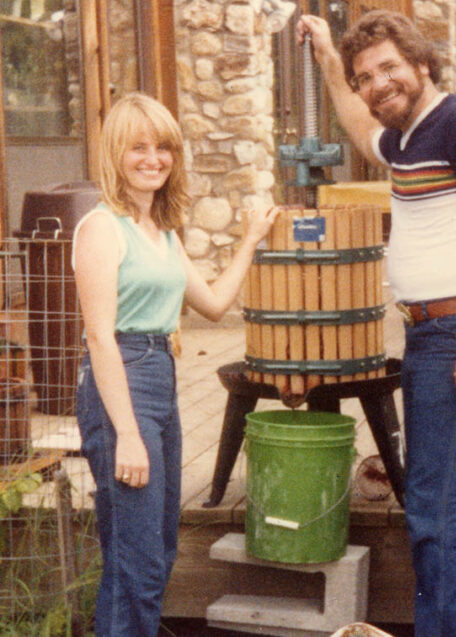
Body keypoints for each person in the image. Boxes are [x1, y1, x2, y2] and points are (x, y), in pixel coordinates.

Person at [296, 11, 456, 636]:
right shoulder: (405, 138)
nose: (377, 84)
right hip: (432, 336)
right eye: (365, 76)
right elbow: (355, 124)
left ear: (422, 62)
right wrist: (326, 54)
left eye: (389, 68)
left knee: (434, 511)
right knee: (445, 509)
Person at [72, 92, 278, 637]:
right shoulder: (100, 229)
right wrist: (128, 434)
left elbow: (211, 303)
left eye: (163, 146)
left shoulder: (160, 231)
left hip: (159, 374)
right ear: (114, 154)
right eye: (138, 147)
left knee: (157, 550)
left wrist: (250, 241)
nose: (153, 158)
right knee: (135, 560)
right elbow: (99, 336)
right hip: (122, 382)